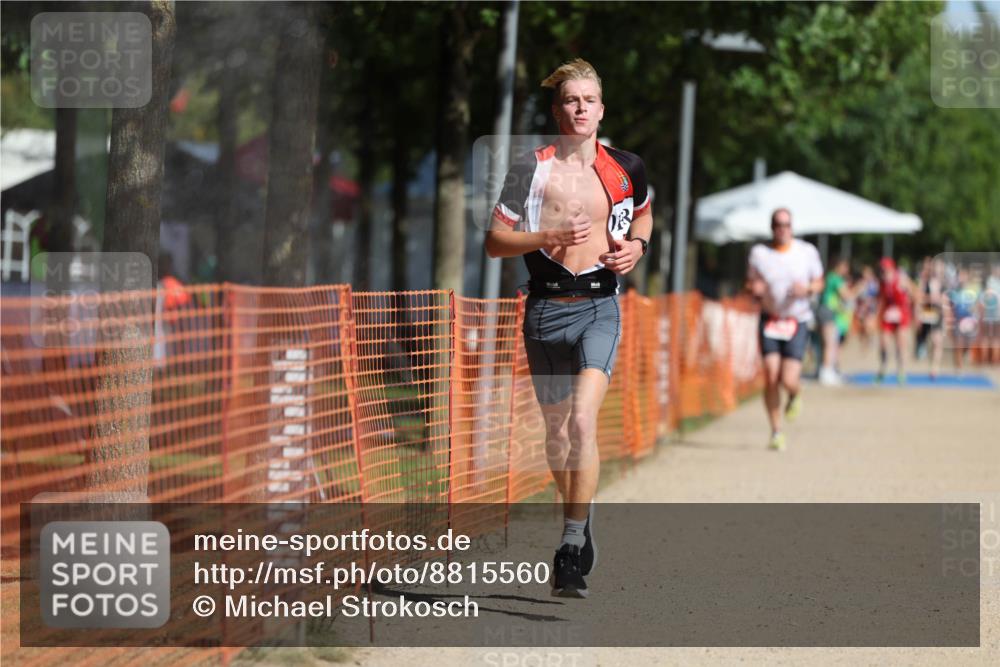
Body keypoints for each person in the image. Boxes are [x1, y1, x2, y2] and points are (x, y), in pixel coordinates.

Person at [484, 59, 652, 598]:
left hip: (599, 307)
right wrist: (548, 234)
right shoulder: (529, 170)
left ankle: (571, 544)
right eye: (571, 101)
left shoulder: (626, 167)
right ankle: (576, 518)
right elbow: (493, 241)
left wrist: (638, 247)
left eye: (589, 100)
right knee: (556, 435)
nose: (580, 108)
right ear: (558, 111)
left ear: (602, 110)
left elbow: (644, 214)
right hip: (543, 310)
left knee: (582, 422)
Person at [745, 208, 824, 451]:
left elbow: (819, 282)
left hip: (796, 320)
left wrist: (808, 289)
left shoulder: (806, 251)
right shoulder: (759, 253)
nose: (783, 229)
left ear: (792, 227)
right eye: (778, 224)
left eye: (787, 224)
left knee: (788, 378)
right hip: (770, 319)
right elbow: (750, 282)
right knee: (770, 376)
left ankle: (795, 393)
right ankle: (776, 431)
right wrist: (754, 288)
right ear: (772, 228)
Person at [875, 257, 914, 384]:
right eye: (882, 269)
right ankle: (883, 368)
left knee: (901, 344)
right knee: (884, 344)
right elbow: (881, 300)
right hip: (888, 315)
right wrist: (876, 316)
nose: (884, 271)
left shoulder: (902, 279)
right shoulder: (882, 282)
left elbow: (915, 293)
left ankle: (901, 372)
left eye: (886, 269)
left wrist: (909, 302)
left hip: (901, 314)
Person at [816, 256, 853, 385]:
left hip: (826, 311)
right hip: (828, 312)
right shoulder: (835, 278)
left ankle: (828, 370)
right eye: (845, 266)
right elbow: (847, 295)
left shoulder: (829, 277)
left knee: (829, 343)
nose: (847, 269)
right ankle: (826, 372)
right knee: (830, 343)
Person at [915, 257, 946, 379]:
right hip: (926, 314)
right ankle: (921, 350)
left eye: (940, 268)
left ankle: (934, 369)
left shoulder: (943, 284)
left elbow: (945, 301)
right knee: (924, 342)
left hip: (938, 315)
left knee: (937, 342)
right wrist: (930, 298)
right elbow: (919, 298)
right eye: (936, 267)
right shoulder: (925, 282)